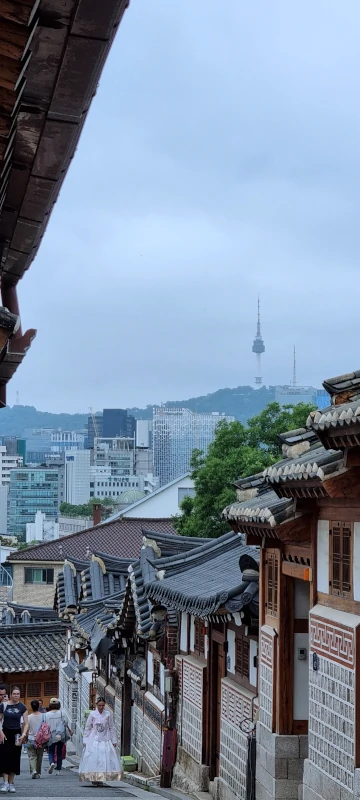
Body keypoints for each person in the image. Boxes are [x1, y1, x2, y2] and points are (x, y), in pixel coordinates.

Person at [79, 697, 123, 787]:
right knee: (94, 759)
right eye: (99, 705)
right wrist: (85, 740)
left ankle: (101, 777)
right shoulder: (92, 714)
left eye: (103, 705)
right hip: (94, 739)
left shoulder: (108, 714)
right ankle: (93, 777)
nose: (101, 707)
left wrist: (114, 740)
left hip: (105, 739)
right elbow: (88, 728)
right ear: (96, 705)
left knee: (104, 759)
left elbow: (112, 727)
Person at [0, 686, 28, 793]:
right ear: (10, 694)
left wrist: (24, 734)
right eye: (14, 693)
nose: (16, 695)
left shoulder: (22, 707)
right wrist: (1, 732)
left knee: (14, 758)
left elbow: (26, 723)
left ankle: (11, 783)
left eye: (18, 694)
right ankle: (5, 782)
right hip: (5, 734)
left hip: (17, 735)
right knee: (4, 758)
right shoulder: (4, 705)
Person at [45, 698, 72, 776]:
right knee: (59, 752)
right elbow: (65, 723)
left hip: (51, 735)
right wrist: (69, 730)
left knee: (51, 751)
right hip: (60, 735)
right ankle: (59, 770)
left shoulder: (47, 714)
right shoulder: (62, 713)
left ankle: (52, 762)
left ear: (50, 705)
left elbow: (46, 725)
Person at [27, 700, 45, 779]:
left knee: (32, 756)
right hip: (41, 739)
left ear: (31, 707)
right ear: (38, 706)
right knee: (39, 756)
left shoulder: (29, 717)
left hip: (31, 738)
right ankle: (38, 772)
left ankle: (33, 770)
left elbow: (26, 728)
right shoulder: (44, 716)